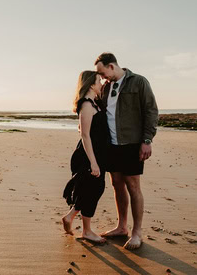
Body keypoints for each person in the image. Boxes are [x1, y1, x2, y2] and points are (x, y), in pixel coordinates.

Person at [94, 52, 158, 250]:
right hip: (111, 145)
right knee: (117, 184)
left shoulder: (138, 82)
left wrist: (147, 140)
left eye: (102, 72)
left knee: (133, 186)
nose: (101, 77)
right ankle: (121, 227)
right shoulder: (105, 87)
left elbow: (151, 111)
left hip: (132, 143)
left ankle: (137, 232)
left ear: (111, 66)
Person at [62, 70, 110, 243]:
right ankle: (87, 231)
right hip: (89, 155)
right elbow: (85, 135)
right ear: (91, 84)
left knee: (91, 189)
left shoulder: (94, 103)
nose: (101, 83)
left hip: (97, 154)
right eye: (99, 81)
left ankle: (71, 217)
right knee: (92, 189)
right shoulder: (86, 105)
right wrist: (93, 163)